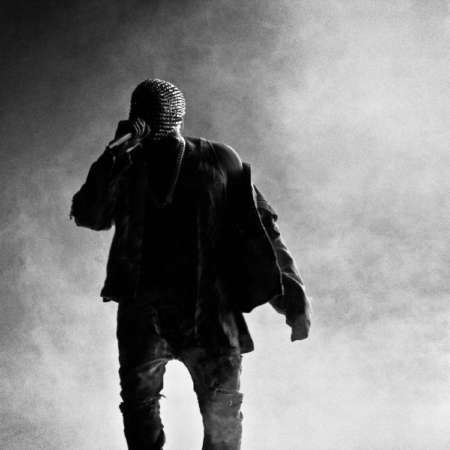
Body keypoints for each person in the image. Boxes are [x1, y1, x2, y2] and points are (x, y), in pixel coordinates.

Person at [70, 78, 311, 450]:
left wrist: (292, 300)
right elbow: (89, 215)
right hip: (144, 312)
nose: (143, 120)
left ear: (173, 116)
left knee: (223, 411)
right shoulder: (126, 164)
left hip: (209, 311)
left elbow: (261, 231)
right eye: (138, 112)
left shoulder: (218, 160)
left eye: (150, 113)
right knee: (139, 406)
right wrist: (112, 155)